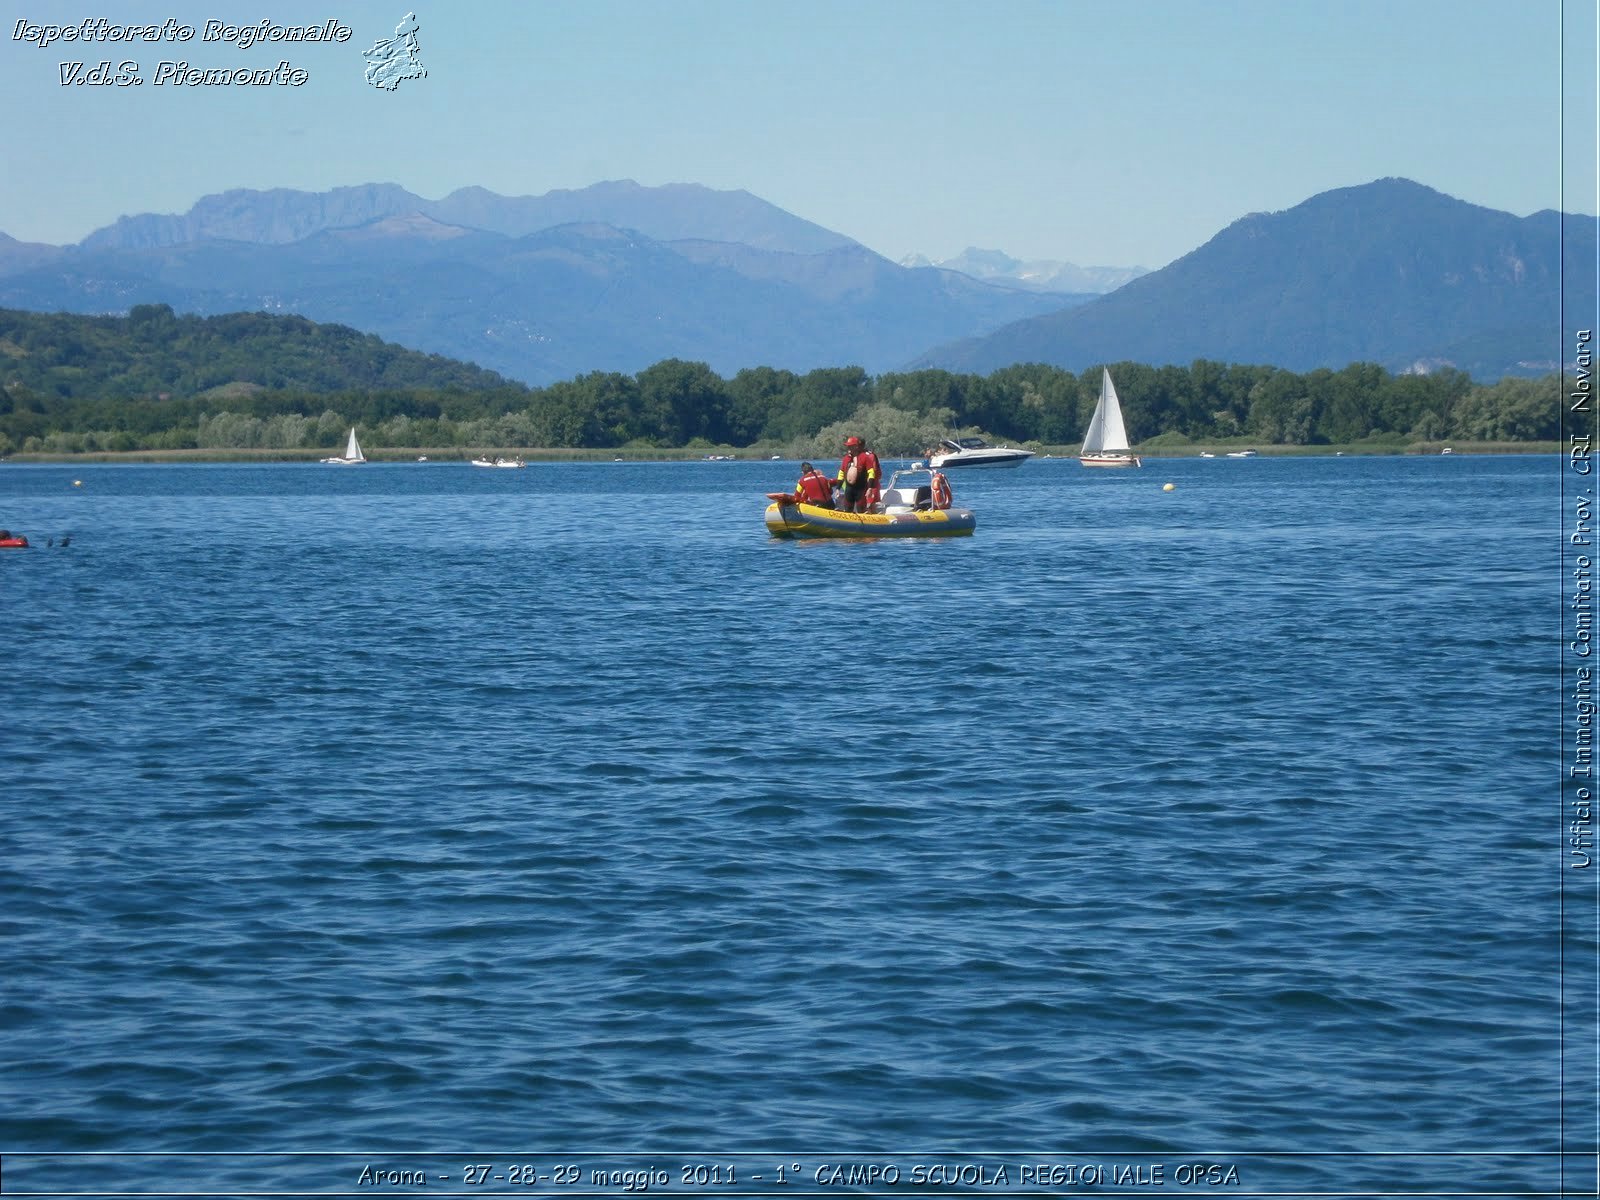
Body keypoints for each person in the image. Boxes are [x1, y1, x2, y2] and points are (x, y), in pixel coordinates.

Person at [835, 435, 882, 513]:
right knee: (847, 509)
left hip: (860, 489)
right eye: (847, 446)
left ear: (856, 446)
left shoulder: (864, 457)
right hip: (849, 489)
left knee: (861, 509)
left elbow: (871, 473)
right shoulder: (846, 458)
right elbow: (841, 473)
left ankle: (865, 520)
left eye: (850, 446)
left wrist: (870, 488)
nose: (848, 448)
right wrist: (838, 488)